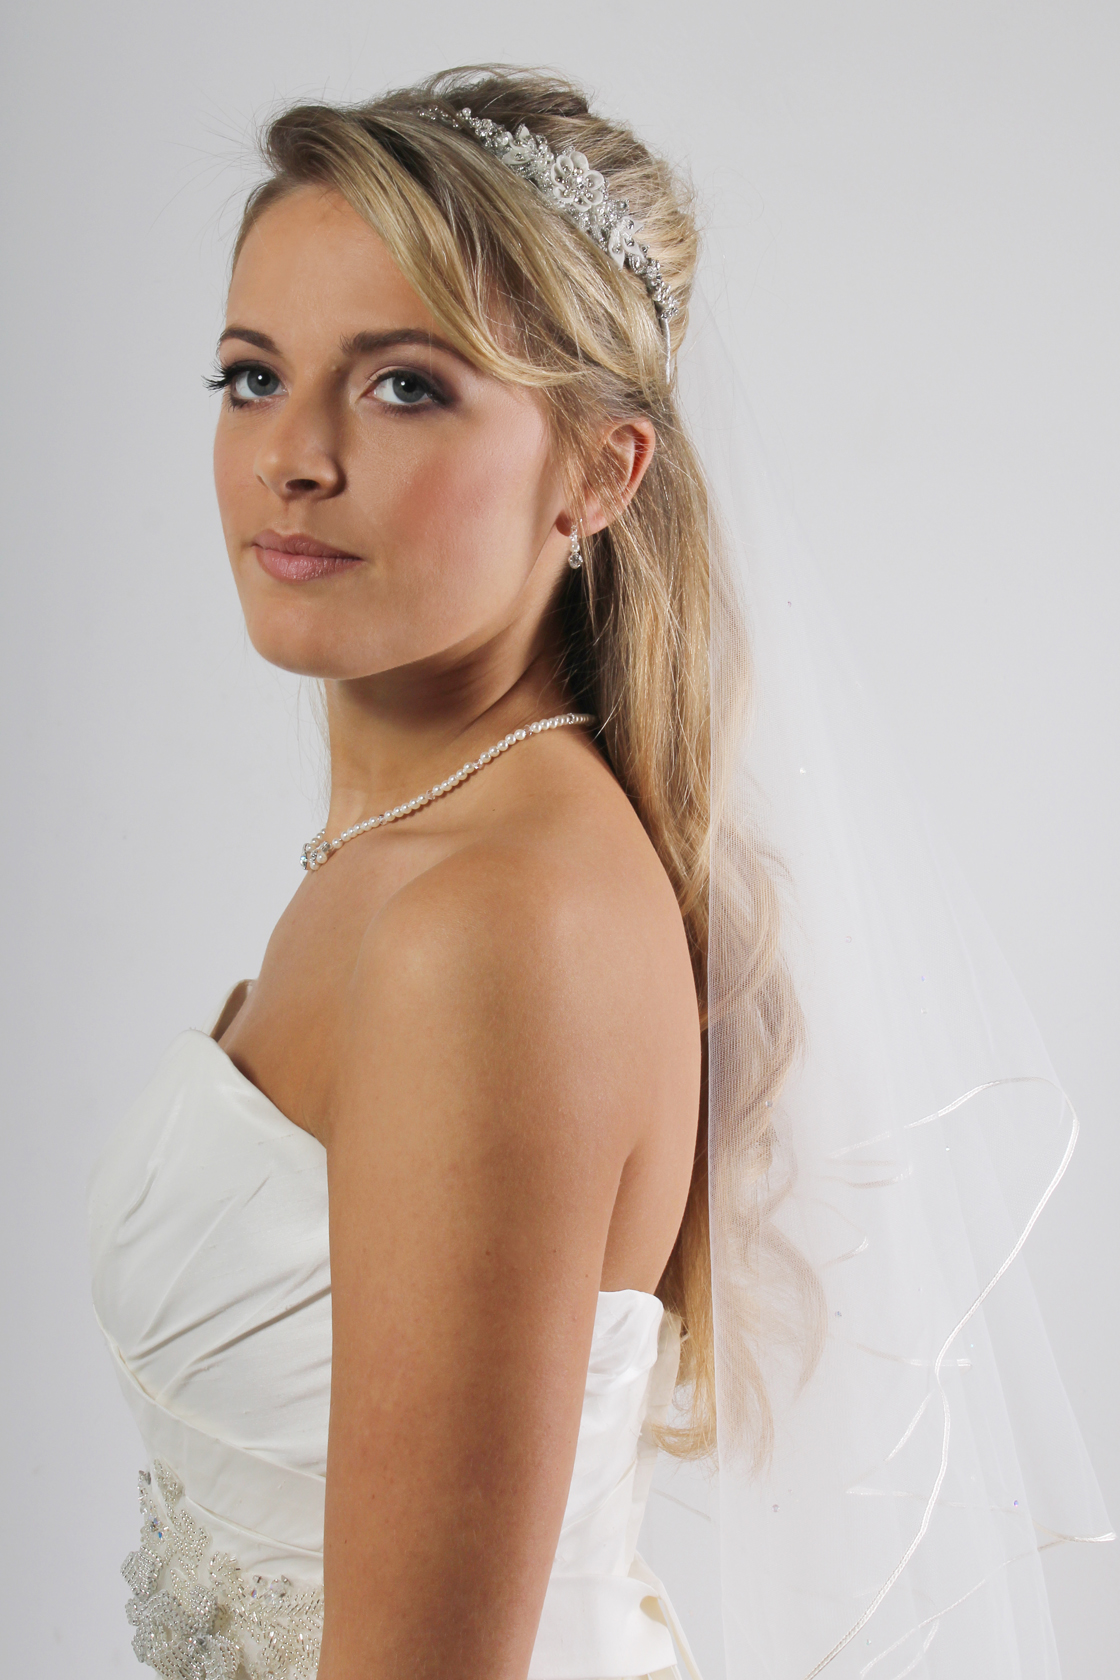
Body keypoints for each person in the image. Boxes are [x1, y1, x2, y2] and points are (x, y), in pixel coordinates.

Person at [88, 63, 1111, 1680]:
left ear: (599, 472)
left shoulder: (490, 924)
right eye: (251, 375)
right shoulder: (434, 852)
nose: (293, 456)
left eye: (404, 385)